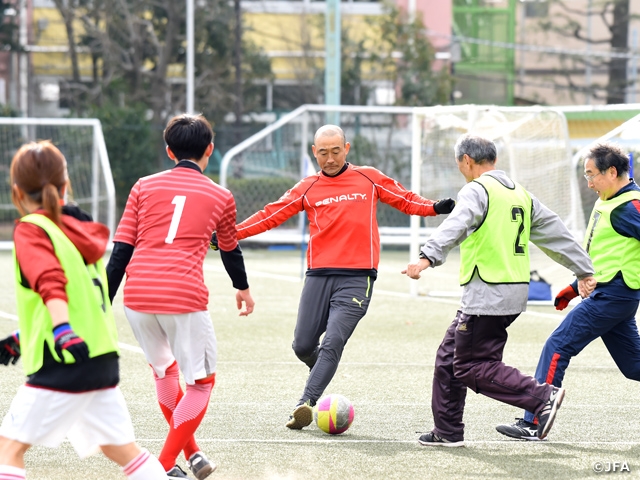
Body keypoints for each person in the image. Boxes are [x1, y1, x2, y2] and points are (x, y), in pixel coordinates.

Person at [231, 124, 455, 430]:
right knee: (302, 345)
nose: (330, 158)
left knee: (334, 340)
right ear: (315, 153)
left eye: (336, 151)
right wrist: (231, 234)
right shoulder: (308, 187)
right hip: (318, 276)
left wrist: (433, 208)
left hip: (356, 278)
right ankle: (322, 369)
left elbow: (404, 199)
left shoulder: (369, 178)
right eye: (323, 153)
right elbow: (270, 215)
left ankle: (305, 404)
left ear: (346, 149)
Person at [402, 133, 597, 447]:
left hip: (487, 293)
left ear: (467, 161)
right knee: (448, 357)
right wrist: (584, 269)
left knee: (470, 365)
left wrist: (427, 256)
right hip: (511, 292)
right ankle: (447, 430)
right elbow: (555, 232)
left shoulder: (476, 190)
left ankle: (541, 397)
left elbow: (456, 224)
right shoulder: (519, 193)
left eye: (458, 163)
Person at [0, 141, 167, 480]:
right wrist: (26, 336)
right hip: (99, 358)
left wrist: (60, 331)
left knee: (8, 451)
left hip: (63, 362)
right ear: (67, 186)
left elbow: (51, 282)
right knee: (121, 451)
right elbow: (81, 298)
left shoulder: (33, 228)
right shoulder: (77, 231)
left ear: (16, 191)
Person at [106, 113, 255, 479]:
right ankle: (161, 466)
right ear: (210, 150)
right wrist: (243, 288)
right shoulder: (221, 195)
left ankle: (194, 456)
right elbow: (229, 248)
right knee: (201, 384)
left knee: (165, 372)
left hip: (137, 295)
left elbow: (121, 249)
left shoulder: (142, 186)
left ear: (169, 151)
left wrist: (101, 301)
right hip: (183, 297)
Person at [496, 142, 640, 440]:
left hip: (613, 296)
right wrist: (575, 287)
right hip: (614, 295)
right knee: (634, 366)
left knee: (557, 347)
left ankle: (534, 422)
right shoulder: (609, 200)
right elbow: (606, 254)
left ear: (612, 172)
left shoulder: (629, 206)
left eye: (591, 175)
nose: (588, 182)